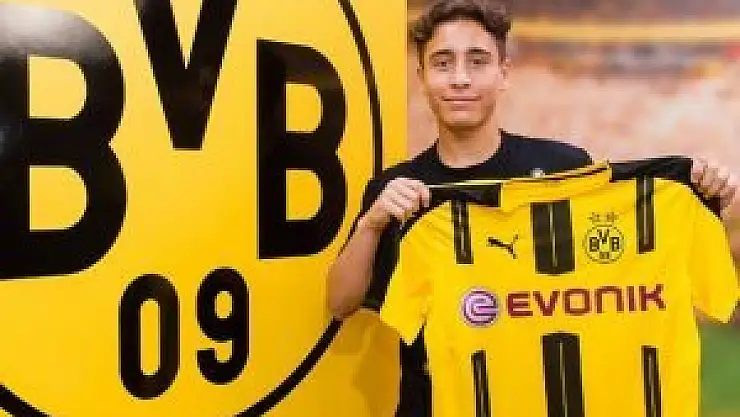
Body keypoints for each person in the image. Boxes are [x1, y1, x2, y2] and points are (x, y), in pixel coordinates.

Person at [327, 0, 739, 415]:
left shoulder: (565, 168)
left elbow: (622, 273)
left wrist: (706, 197)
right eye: (443, 63)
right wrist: (372, 224)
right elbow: (341, 302)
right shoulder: (400, 191)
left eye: (477, 61)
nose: (461, 78)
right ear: (422, 77)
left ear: (503, 73)